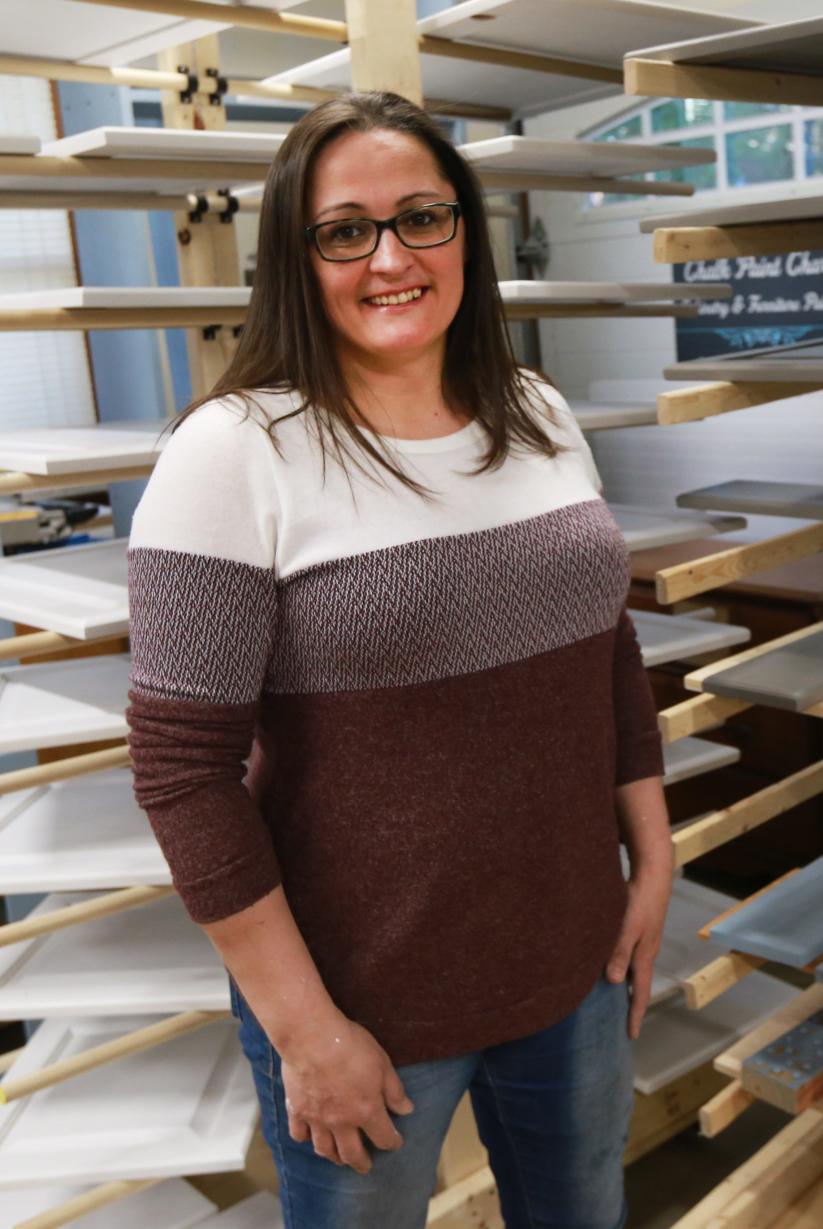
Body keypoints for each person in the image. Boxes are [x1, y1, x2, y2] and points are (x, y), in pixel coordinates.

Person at [126, 90, 672, 1229]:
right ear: (296, 254)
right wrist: (303, 1030)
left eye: (423, 217)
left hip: (571, 964)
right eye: (345, 230)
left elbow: (602, 644)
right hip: (360, 1005)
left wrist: (652, 854)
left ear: (465, 230)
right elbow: (183, 774)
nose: (391, 257)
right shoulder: (234, 454)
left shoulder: (534, 412)